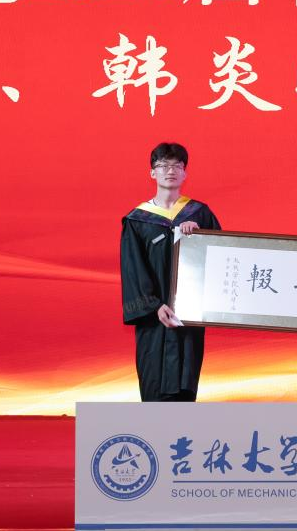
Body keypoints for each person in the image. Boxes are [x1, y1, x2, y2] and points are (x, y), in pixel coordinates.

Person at [120, 142, 221, 401]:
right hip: (154, 322)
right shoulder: (137, 220)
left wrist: (200, 236)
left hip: (188, 319)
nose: (170, 170)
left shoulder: (200, 214)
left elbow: (220, 260)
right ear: (152, 172)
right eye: (163, 165)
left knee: (185, 392)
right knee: (154, 390)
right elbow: (133, 270)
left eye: (177, 165)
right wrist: (154, 306)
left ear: (185, 173)